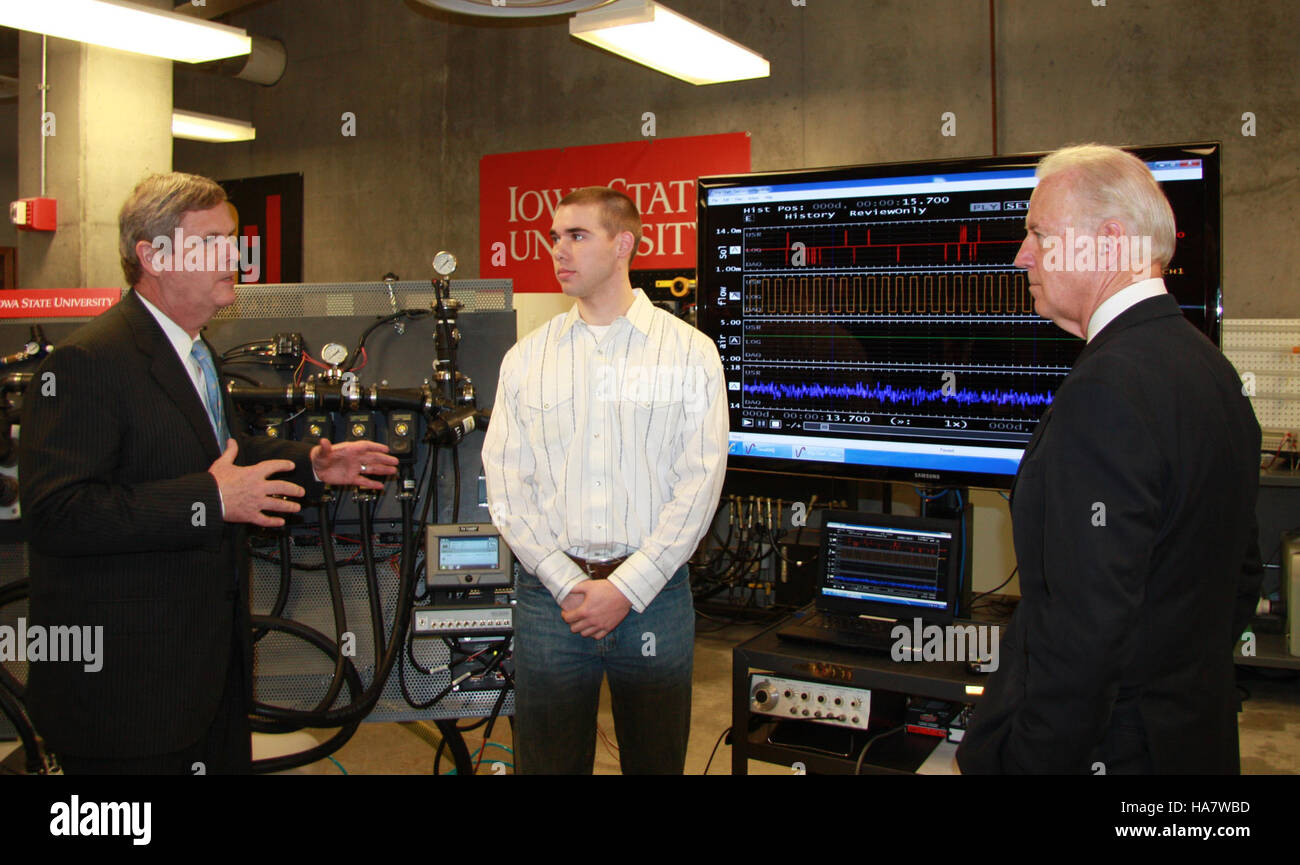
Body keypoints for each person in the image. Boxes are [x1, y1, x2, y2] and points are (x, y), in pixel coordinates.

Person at [20, 172, 398, 774]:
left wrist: (314, 466)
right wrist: (209, 499)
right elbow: (56, 514)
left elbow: (216, 452)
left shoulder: (194, 353)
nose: (236, 257)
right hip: (127, 697)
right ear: (153, 257)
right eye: (213, 242)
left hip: (205, 681)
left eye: (235, 240)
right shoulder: (88, 362)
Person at [955, 145, 1262, 774]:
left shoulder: (1107, 391)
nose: (1022, 255)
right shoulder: (1212, 370)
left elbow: (1083, 639)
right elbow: (1240, 578)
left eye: (1039, 233)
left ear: (1111, 241)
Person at [482, 186, 728, 774]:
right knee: (547, 764)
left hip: (654, 599)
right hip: (551, 604)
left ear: (624, 244)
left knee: (655, 761)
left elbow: (700, 484)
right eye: (553, 238)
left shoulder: (689, 354)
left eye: (576, 236)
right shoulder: (527, 359)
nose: (558, 251)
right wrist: (568, 582)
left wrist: (626, 587)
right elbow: (508, 488)